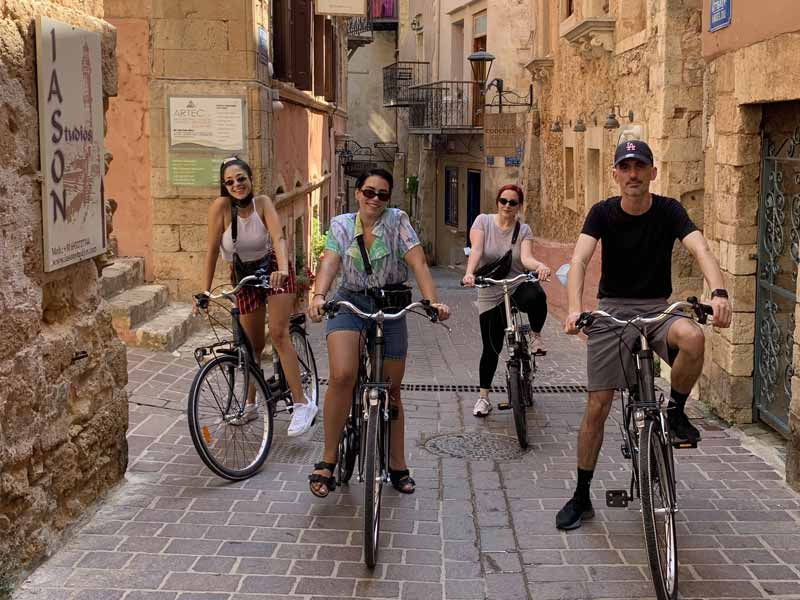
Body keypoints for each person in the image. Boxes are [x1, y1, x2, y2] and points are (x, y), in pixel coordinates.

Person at [556, 140, 732, 530]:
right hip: (611, 311)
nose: (633, 174)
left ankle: (675, 411)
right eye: (626, 167)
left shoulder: (669, 210)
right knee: (598, 405)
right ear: (615, 174)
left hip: (658, 309)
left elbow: (699, 247)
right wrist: (574, 309)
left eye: (641, 167)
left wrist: (718, 291)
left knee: (694, 338)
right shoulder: (602, 213)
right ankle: (582, 494)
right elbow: (580, 258)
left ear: (653, 173)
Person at [307, 168, 450, 498]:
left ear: (389, 198)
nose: (374, 199)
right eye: (369, 192)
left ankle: (398, 465)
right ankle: (328, 459)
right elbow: (329, 261)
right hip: (351, 301)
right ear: (358, 193)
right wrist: (318, 295)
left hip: (390, 304)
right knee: (343, 375)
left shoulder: (398, 221)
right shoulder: (341, 225)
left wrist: (433, 302)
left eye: (382, 194)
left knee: (392, 390)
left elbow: (419, 264)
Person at [198, 156, 318, 436]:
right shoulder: (221, 208)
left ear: (250, 179)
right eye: (229, 181)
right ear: (223, 186)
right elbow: (212, 250)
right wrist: (204, 290)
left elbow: (278, 238)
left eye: (241, 178)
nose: (236, 185)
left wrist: (285, 269)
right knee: (251, 346)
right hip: (243, 276)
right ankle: (251, 402)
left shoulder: (262, 203)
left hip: (273, 269)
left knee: (277, 333)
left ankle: (302, 405)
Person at [462, 184, 551, 418]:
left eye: (513, 202)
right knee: (491, 347)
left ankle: (535, 336)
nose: (507, 206)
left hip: (516, 284)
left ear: (519, 206)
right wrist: (470, 272)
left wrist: (540, 266)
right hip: (490, 288)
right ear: (497, 202)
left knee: (537, 295)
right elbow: (477, 249)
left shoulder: (523, 229)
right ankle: (483, 398)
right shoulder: (483, 221)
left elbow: (526, 258)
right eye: (503, 201)